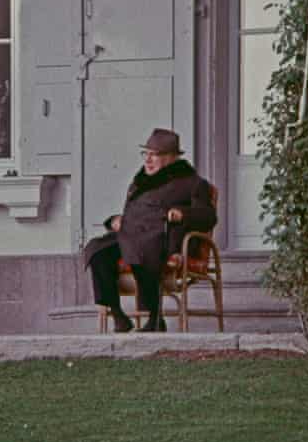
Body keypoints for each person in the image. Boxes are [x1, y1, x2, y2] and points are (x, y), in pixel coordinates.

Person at [83, 128, 217, 332]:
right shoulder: (140, 182)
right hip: (130, 235)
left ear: (171, 157)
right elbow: (132, 214)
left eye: (154, 155)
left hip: (161, 238)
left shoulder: (193, 183)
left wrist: (182, 213)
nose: (148, 160)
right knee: (97, 251)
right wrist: (116, 220)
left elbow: (208, 216)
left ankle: (155, 317)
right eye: (146, 154)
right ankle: (118, 315)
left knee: (144, 247)